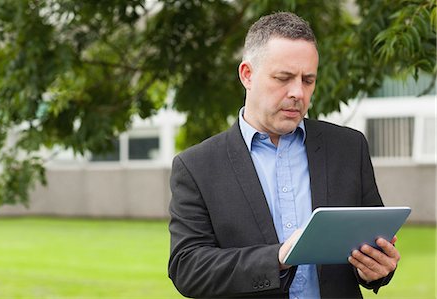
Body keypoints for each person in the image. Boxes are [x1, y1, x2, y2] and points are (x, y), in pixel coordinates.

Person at [168, 12, 400, 299]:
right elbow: (188, 268)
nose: (298, 93)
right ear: (247, 75)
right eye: (284, 78)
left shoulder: (349, 148)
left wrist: (377, 268)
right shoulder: (196, 167)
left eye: (308, 80)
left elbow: (371, 246)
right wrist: (277, 257)